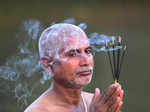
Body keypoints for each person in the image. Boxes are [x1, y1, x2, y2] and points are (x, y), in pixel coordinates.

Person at [24, 23, 123, 112]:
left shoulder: (95, 103)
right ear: (47, 64)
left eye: (88, 51)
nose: (85, 62)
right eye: (73, 54)